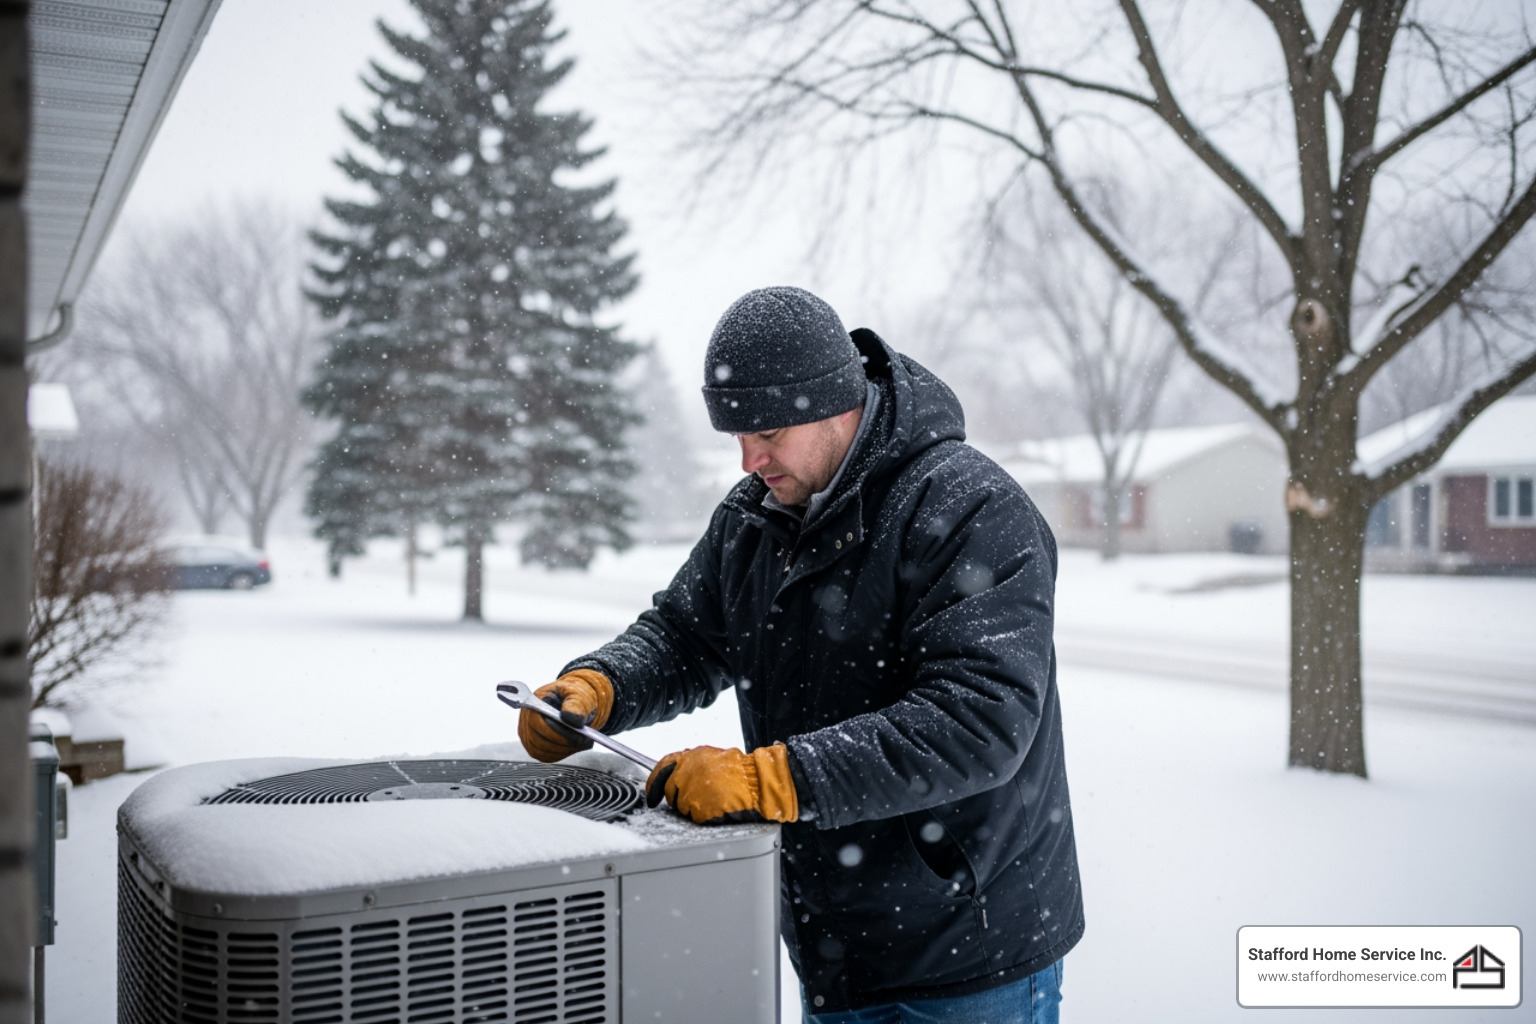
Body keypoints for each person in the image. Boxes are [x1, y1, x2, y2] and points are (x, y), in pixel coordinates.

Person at [518, 286, 1083, 1022]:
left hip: (967, 959)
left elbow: (977, 723)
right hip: (832, 948)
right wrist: (602, 686)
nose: (751, 459)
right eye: (737, 436)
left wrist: (775, 779)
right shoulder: (753, 517)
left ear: (834, 403)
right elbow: (687, 634)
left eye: (770, 432)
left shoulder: (969, 508)